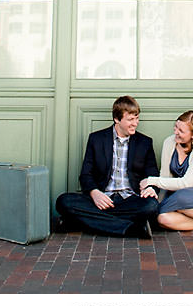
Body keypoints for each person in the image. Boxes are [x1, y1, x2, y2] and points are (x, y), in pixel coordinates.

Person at [55, 96, 160, 238]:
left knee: (151, 206)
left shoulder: (145, 142)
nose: (135, 123)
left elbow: (152, 173)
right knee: (64, 201)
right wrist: (94, 193)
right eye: (130, 119)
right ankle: (130, 227)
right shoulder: (96, 139)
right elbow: (86, 174)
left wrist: (151, 188)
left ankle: (80, 222)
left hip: (130, 199)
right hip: (101, 198)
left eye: (137, 118)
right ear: (117, 119)